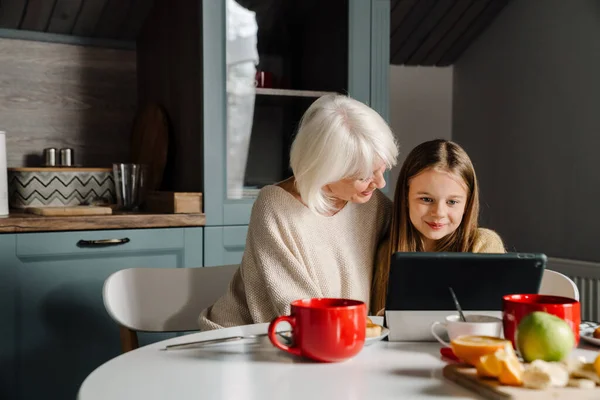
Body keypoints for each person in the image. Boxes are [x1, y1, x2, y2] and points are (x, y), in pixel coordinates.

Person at [198, 94, 399, 330]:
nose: (380, 183)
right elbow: (296, 310)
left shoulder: (373, 204)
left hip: (336, 339)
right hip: (247, 340)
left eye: (381, 169)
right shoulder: (275, 207)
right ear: (325, 170)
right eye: (364, 176)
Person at [371, 139, 505, 315]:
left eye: (452, 202)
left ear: (467, 204)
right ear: (405, 197)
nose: (439, 212)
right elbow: (381, 325)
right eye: (426, 199)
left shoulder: (484, 245)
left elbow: (489, 318)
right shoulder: (386, 251)